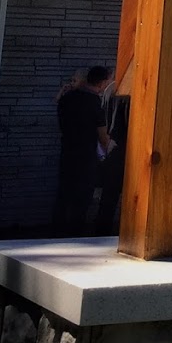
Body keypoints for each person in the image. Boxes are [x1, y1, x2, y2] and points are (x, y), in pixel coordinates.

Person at [53, 64, 110, 235]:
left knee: (64, 192)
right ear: (102, 83)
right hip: (86, 153)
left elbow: (59, 105)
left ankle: (58, 229)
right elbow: (102, 134)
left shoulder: (66, 98)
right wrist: (109, 149)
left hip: (67, 149)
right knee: (83, 195)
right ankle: (75, 232)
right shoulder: (94, 103)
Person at [94, 71, 130, 235]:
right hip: (127, 144)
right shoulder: (130, 90)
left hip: (110, 143)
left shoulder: (110, 89)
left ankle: (102, 230)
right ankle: (127, 231)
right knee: (129, 192)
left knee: (109, 194)